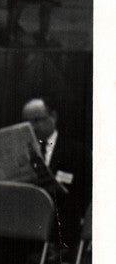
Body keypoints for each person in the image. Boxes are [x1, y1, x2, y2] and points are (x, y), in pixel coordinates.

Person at [22, 96, 91, 246]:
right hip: (24, 213)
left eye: (37, 120)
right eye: (27, 123)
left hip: (59, 220)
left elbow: (84, 195)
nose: (32, 127)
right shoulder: (20, 150)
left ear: (53, 117)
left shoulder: (78, 153)